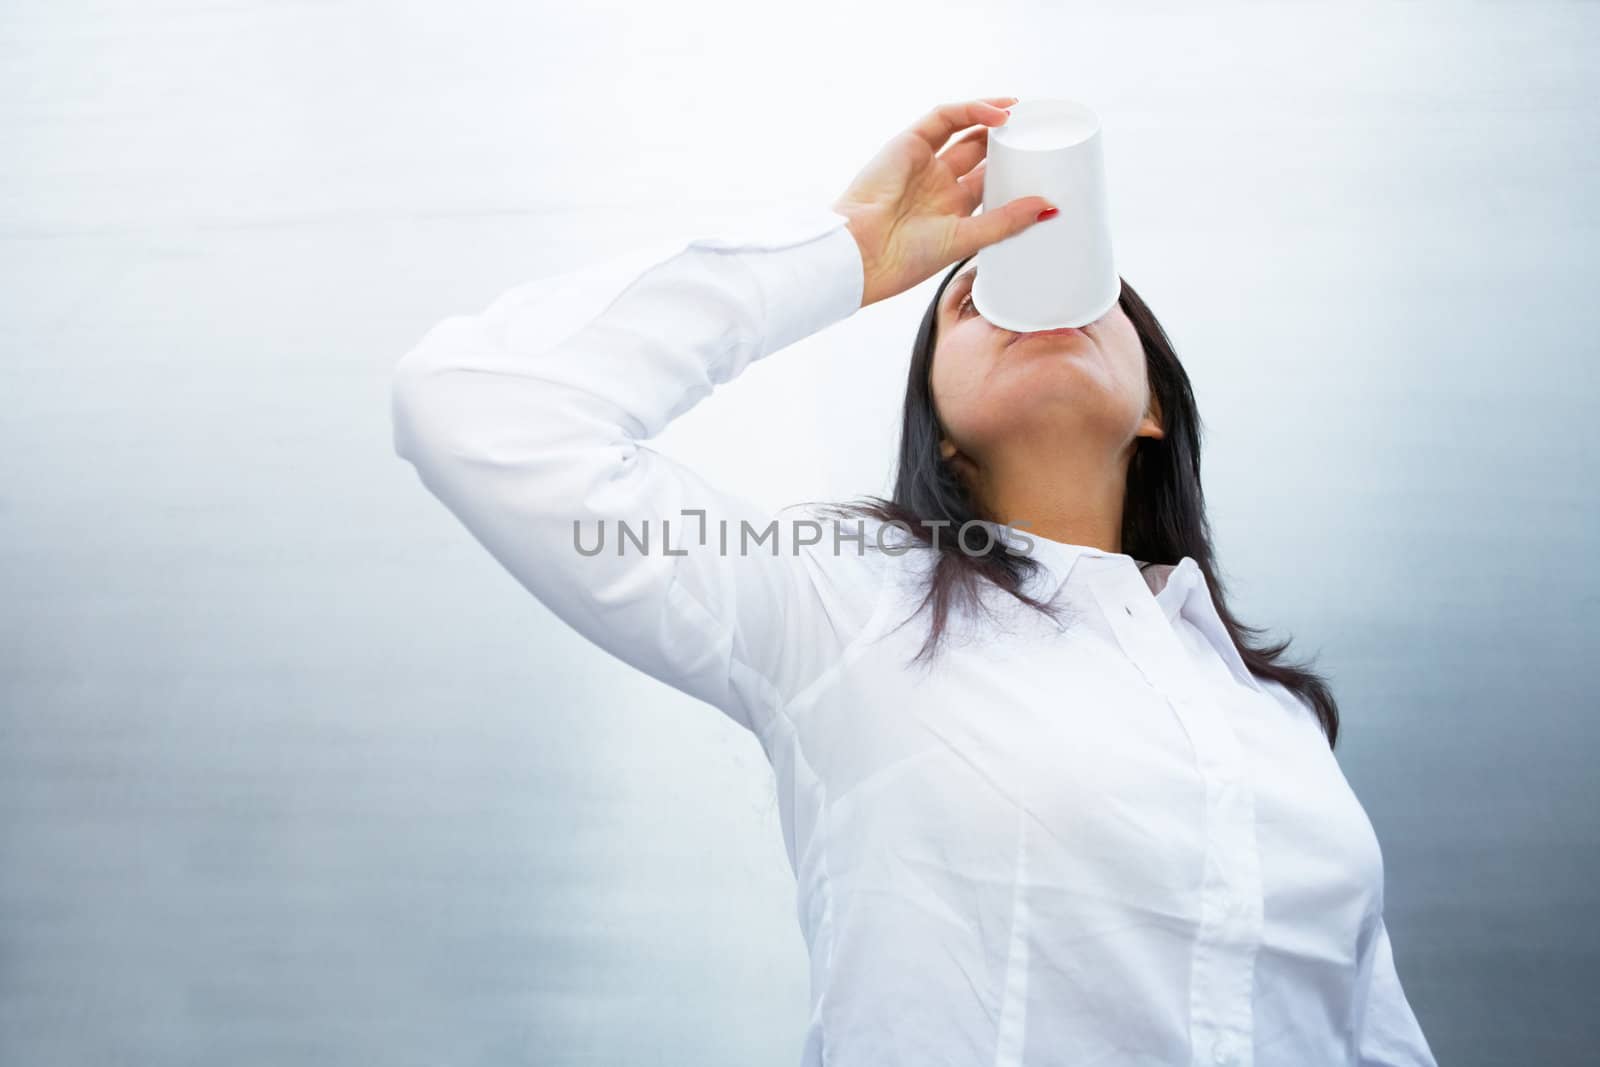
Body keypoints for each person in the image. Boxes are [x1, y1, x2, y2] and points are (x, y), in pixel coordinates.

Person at [391, 97, 1439, 1067]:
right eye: (974, 298)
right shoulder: (842, 607)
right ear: (937, 427)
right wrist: (848, 252)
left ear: (1154, 406)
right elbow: (479, 410)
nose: (1026, 300)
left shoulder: (1273, 720)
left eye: (1086, 290)